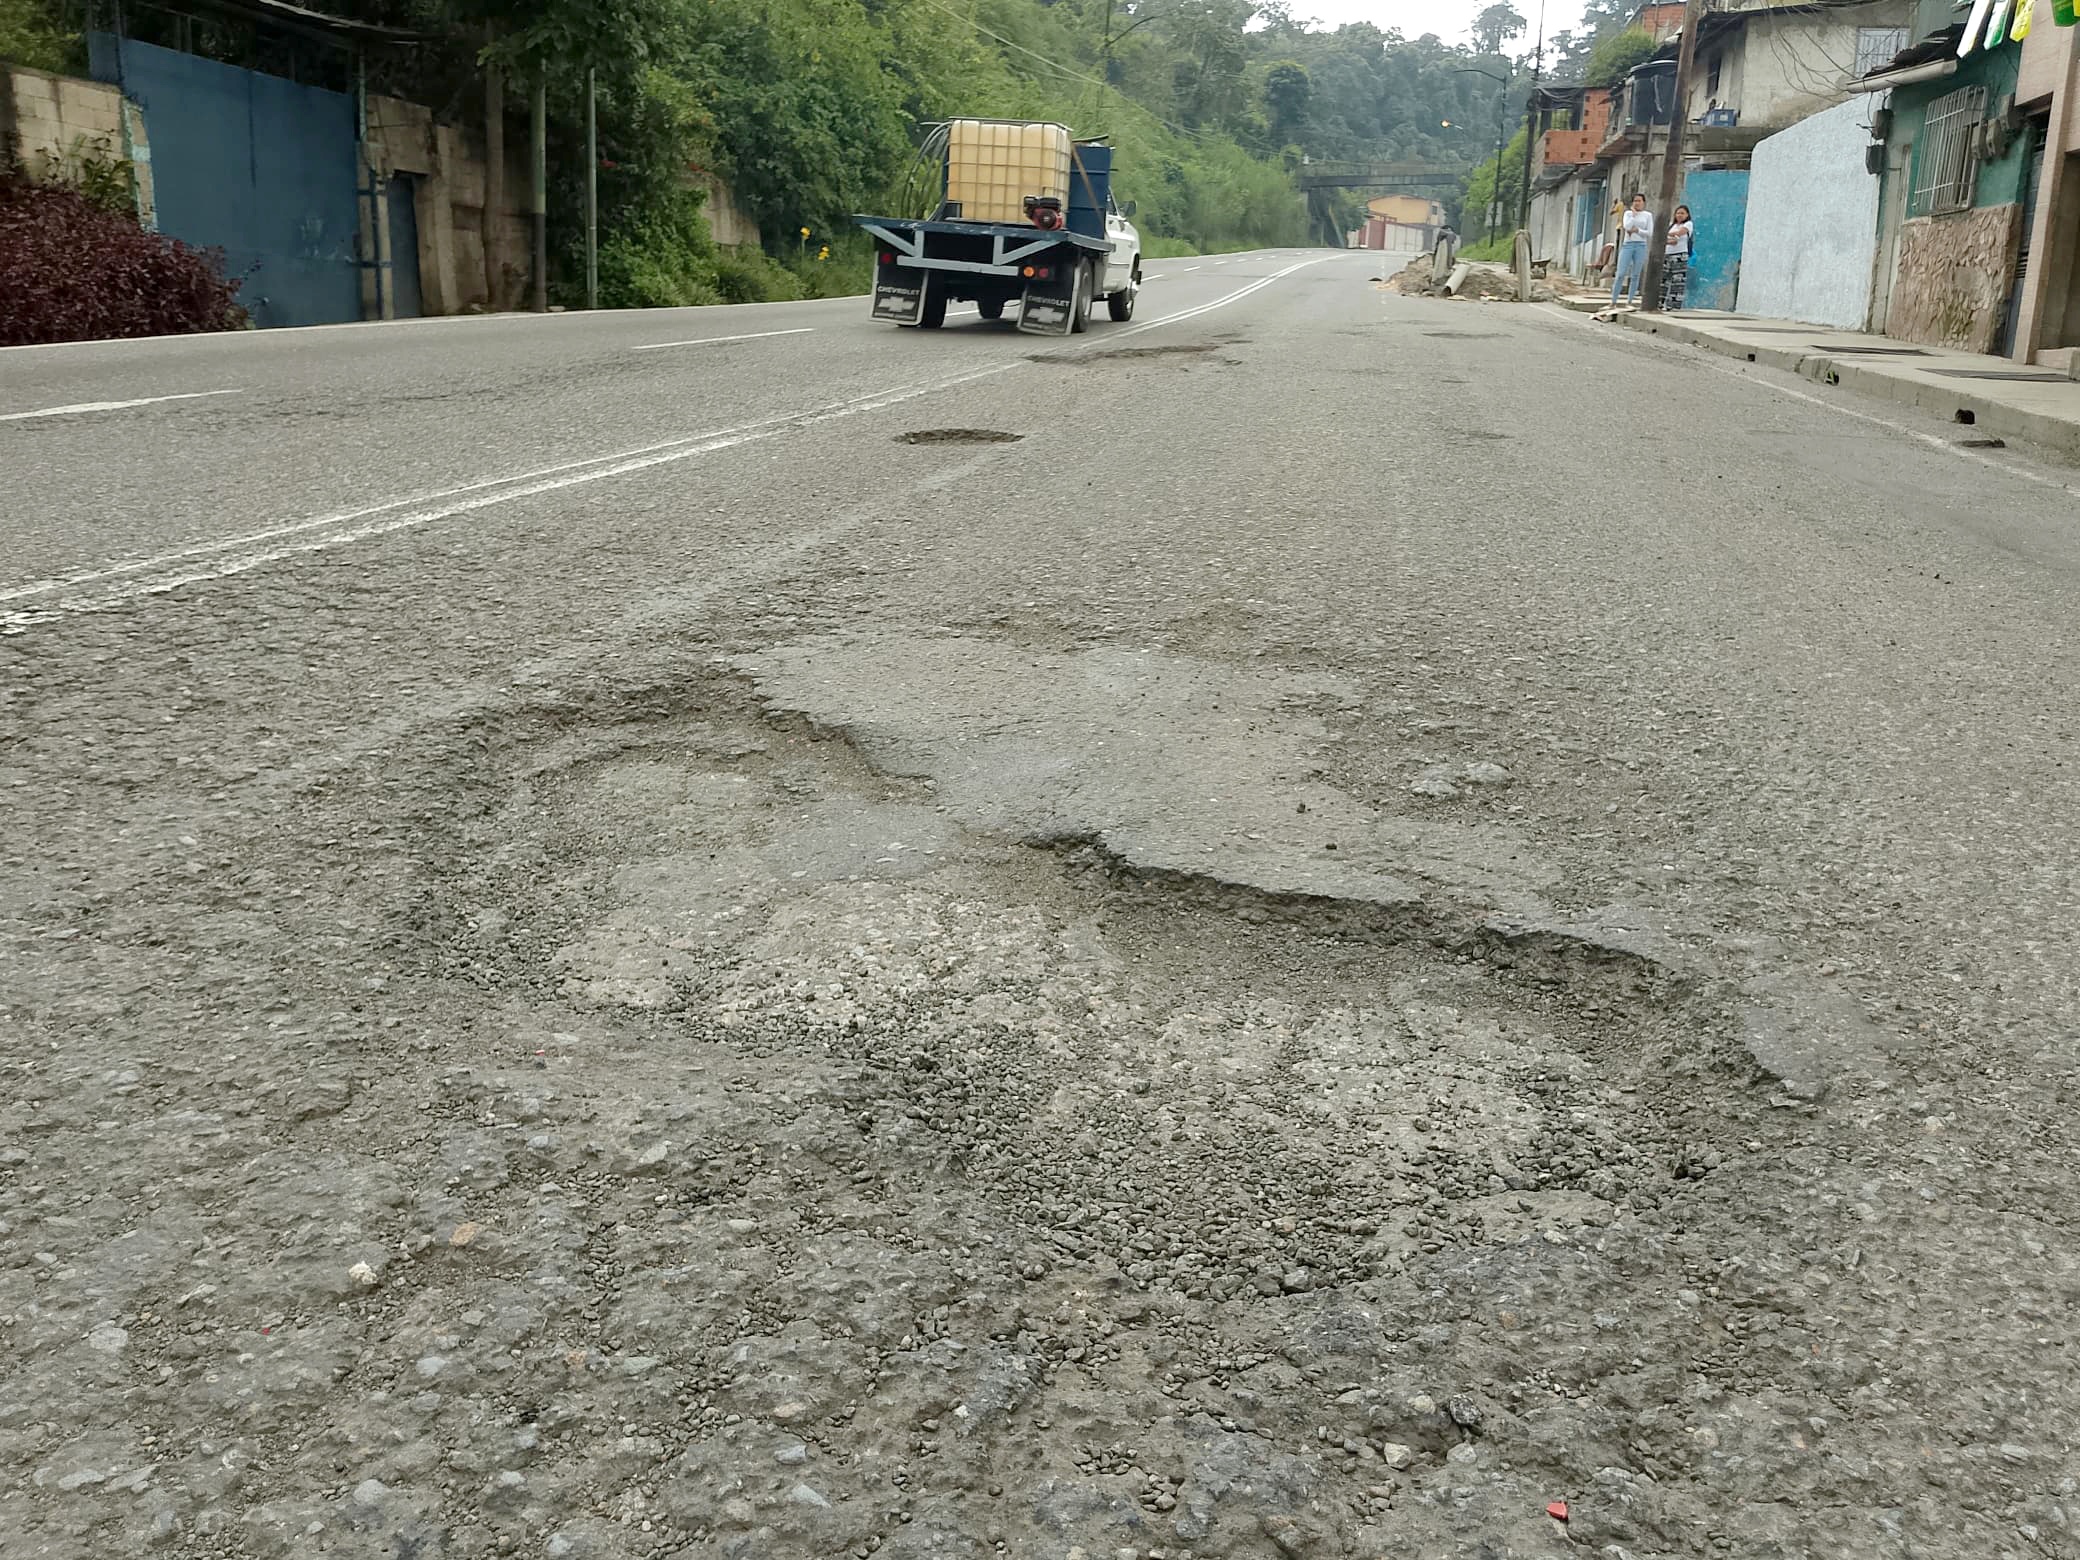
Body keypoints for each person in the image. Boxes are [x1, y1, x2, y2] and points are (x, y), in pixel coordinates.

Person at [1611, 192, 1653, 306]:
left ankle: (1629, 301)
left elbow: (1649, 233)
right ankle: (1613, 300)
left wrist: (1637, 231)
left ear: (1644, 203)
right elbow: (1627, 226)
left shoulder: (1647, 215)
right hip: (1628, 244)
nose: (1637, 203)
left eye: (1639, 201)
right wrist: (1634, 216)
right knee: (1621, 273)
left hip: (1641, 245)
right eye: (1635, 201)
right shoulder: (1628, 213)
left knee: (1635, 274)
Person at [1662, 204, 1694, 311]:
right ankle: (1660, 303)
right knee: (1663, 279)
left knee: (1678, 281)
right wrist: (1671, 238)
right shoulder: (1671, 225)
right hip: (1667, 255)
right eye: (1678, 213)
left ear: (1687, 215)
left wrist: (1669, 236)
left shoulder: (1688, 224)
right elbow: (1666, 240)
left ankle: (1674, 306)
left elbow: (1679, 234)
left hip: (1680, 255)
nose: (1679, 215)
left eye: (1682, 213)